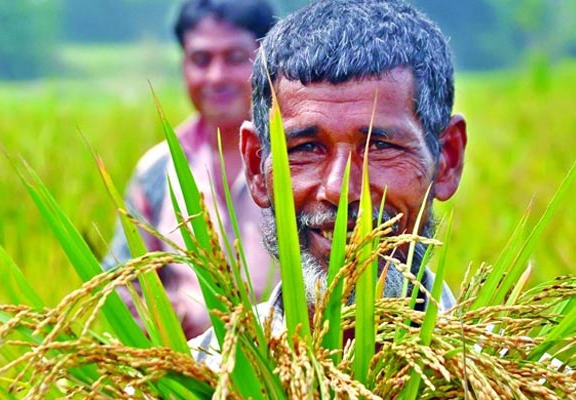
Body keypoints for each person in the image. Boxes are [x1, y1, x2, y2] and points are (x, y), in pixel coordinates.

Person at [190, 0, 467, 366]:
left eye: (379, 146)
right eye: (306, 148)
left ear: (447, 160)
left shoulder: (529, 385)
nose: (338, 189)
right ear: (257, 168)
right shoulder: (197, 380)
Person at [102, 0, 277, 338]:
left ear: (267, 62)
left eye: (236, 58)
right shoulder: (158, 169)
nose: (216, 76)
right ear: (183, 65)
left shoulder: (301, 160)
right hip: (190, 377)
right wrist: (164, 314)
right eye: (201, 60)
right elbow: (121, 281)